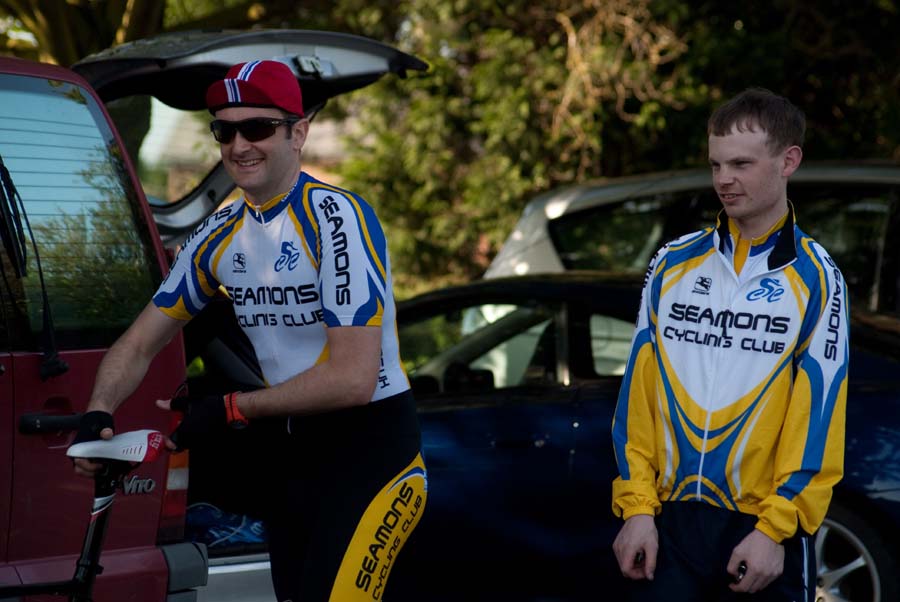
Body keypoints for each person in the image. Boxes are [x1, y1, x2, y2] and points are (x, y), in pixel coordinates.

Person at [71, 59, 427, 602]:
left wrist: (231, 409)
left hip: (371, 453)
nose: (240, 145)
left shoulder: (337, 218)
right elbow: (140, 343)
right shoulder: (219, 233)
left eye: (258, 127)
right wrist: (99, 412)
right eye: (225, 131)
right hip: (291, 456)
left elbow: (353, 378)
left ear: (298, 133)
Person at [610, 87, 848, 601]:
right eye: (716, 164)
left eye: (741, 164)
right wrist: (637, 509)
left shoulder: (817, 276)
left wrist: (775, 530)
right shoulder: (672, 263)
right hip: (668, 524)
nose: (723, 179)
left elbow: (819, 416)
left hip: (760, 529)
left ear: (788, 161)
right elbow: (637, 399)